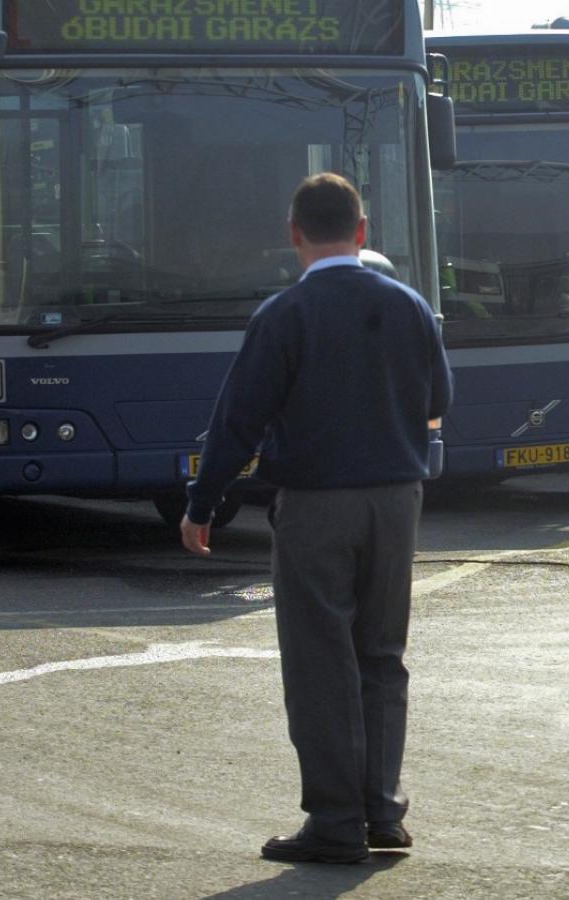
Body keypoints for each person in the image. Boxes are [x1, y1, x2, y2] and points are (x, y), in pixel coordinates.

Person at [181, 173, 453, 864]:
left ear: (294, 235)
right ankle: (382, 812)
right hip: (398, 499)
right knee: (382, 657)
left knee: (319, 661)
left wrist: (202, 503)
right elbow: (440, 397)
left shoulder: (284, 314)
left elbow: (236, 421)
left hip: (317, 503)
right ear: (363, 232)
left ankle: (334, 822)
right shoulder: (411, 305)